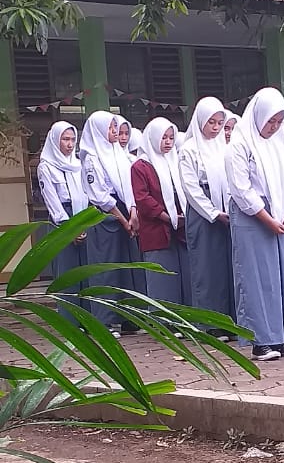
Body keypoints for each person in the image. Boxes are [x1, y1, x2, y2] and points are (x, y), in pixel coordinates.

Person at [225, 88, 284, 361]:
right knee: (257, 278)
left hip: (280, 214)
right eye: (271, 121)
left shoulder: (278, 144)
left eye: (279, 121)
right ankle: (260, 341)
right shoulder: (240, 144)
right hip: (253, 217)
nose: (274, 127)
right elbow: (241, 189)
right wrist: (267, 218)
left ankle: (281, 337)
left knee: (282, 277)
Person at [79, 110, 140, 337]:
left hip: (125, 211)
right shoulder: (91, 158)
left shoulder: (119, 154)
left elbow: (129, 184)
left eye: (116, 128)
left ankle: (127, 318)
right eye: (111, 128)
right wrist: (123, 219)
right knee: (105, 269)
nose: (115, 132)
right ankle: (104, 321)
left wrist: (133, 211)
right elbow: (100, 196)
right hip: (104, 216)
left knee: (126, 267)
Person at [178, 96, 235, 324]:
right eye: (211, 122)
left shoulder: (224, 147)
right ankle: (210, 323)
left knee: (227, 266)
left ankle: (229, 320)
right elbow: (190, 188)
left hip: (225, 211)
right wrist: (213, 213)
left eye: (220, 123)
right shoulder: (189, 149)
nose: (216, 128)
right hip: (203, 214)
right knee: (206, 268)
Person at [131, 117, 191, 307]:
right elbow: (142, 199)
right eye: (163, 137)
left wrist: (181, 217)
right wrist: (167, 217)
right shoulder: (140, 166)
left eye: (171, 138)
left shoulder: (175, 161)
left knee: (184, 277)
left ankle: (185, 317)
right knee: (162, 279)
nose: (168, 142)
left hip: (179, 228)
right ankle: (163, 318)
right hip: (156, 229)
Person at [37, 120, 90, 320]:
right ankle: (70, 321)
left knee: (86, 272)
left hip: (83, 217)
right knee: (67, 274)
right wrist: (70, 230)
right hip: (62, 222)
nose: (69, 144)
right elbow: (53, 202)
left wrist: (85, 223)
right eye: (65, 139)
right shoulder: (46, 167)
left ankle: (88, 319)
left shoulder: (78, 164)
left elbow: (86, 194)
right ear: (55, 140)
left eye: (72, 139)